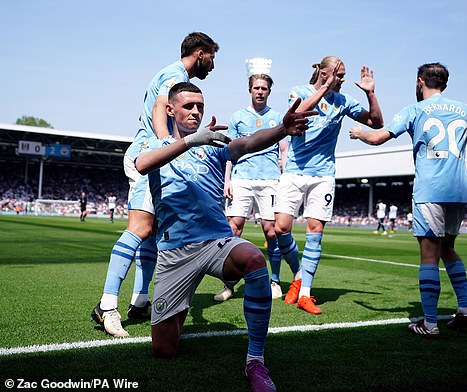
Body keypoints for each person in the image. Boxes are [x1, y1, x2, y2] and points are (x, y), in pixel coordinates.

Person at [134, 82, 315, 391]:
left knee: (253, 258)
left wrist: (281, 130)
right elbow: (142, 165)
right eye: (189, 106)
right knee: (164, 350)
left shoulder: (213, 145)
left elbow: (248, 142)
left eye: (200, 107)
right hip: (174, 253)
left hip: (216, 242)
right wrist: (191, 141)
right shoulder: (153, 143)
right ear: (170, 110)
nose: (195, 111)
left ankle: (255, 361)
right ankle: (181, 301)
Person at [349, 62, 467, 338]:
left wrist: (360, 133)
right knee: (448, 249)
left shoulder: (415, 110)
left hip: (430, 189)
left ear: (420, 81)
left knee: (429, 256)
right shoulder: (465, 109)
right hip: (458, 189)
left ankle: (430, 323)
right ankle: (466, 310)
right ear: (444, 83)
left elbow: (377, 139)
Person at [91, 32, 220, 337]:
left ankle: (140, 300)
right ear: (200, 53)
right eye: (213, 57)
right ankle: (106, 305)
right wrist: (165, 144)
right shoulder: (175, 75)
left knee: (151, 235)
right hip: (151, 157)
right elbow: (159, 107)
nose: (213, 65)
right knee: (140, 228)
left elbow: (147, 110)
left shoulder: (166, 74)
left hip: (153, 152)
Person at [274, 56, 383, 315]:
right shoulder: (298, 91)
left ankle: (305, 293)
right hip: (294, 171)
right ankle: (298, 275)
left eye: (343, 76)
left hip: (323, 174)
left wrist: (371, 95)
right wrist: (325, 87)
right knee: (280, 227)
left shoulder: (343, 101)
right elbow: (296, 115)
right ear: (323, 73)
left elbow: (376, 123)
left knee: (315, 230)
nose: (343, 80)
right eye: (339, 75)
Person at [215, 73, 293, 302]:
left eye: (264, 88)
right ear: (250, 90)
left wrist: (284, 176)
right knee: (233, 229)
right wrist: (227, 180)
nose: (260, 91)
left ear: (269, 91)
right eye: (256, 88)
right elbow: (229, 152)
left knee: (271, 230)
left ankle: (275, 281)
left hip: (269, 179)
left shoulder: (278, 117)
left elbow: (284, 151)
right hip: (241, 179)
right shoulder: (238, 117)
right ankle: (229, 284)